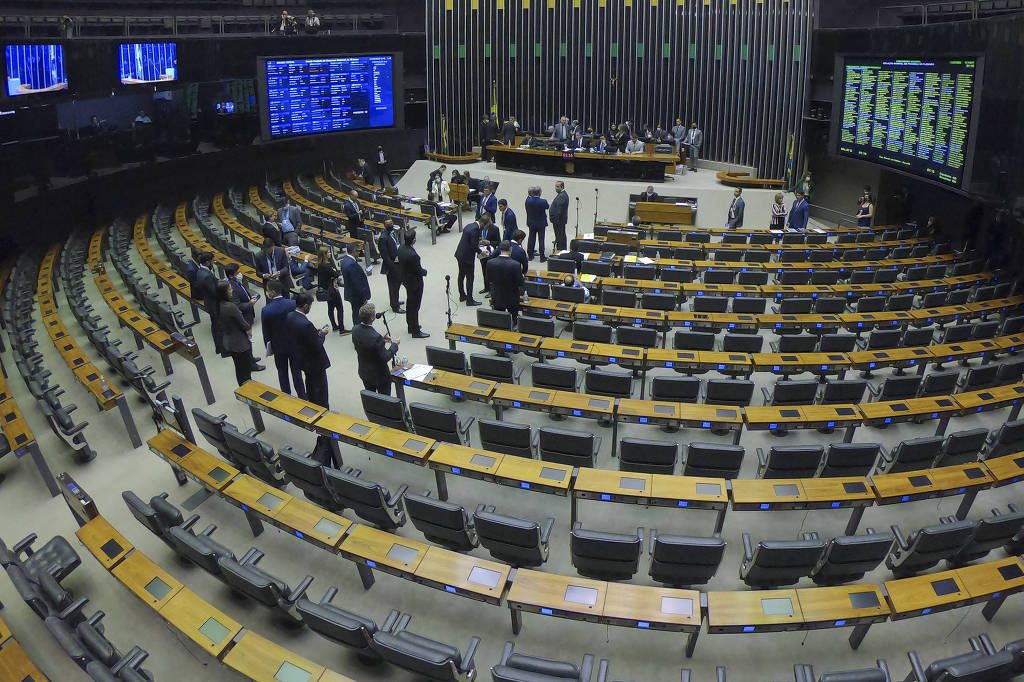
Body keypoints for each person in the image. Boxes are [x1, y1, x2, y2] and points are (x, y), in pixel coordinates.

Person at [261, 280, 304, 398]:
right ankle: (302, 396)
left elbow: (266, 332)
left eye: (268, 290)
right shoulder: (292, 303)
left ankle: (286, 396)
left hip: (278, 346)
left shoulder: (266, 310)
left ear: (273, 292)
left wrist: (269, 348)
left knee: (282, 372)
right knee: (297, 372)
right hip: (294, 344)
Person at [287, 292, 331, 408]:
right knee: (321, 390)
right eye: (310, 306)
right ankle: (323, 412)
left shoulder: (290, 316)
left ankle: (312, 403)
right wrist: (322, 333)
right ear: (306, 305)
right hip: (314, 362)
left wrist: (313, 332)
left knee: (310, 385)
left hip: (302, 360)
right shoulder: (306, 324)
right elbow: (317, 344)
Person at [216, 281, 258, 386]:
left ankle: (242, 387)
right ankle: (248, 389)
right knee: (245, 369)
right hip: (239, 342)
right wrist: (248, 330)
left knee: (238, 367)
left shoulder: (217, 305)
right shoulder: (230, 306)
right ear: (224, 292)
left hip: (228, 340)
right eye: (229, 289)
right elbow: (244, 324)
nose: (232, 290)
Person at [352, 303, 400, 395]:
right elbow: (385, 357)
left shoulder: (355, 330)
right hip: (379, 376)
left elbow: (365, 344)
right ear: (372, 318)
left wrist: (382, 340)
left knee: (372, 398)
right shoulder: (375, 338)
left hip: (364, 372)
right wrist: (394, 345)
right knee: (385, 400)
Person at [398, 229, 429, 338]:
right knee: (415, 307)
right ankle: (416, 331)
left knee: (409, 304)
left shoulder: (401, 248)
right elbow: (418, 270)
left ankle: (410, 326)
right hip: (415, 283)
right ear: (413, 239)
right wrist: (425, 272)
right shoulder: (413, 255)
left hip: (406, 280)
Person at [487, 241, 526, 324]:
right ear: (510, 249)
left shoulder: (490, 262)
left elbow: (488, 279)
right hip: (512, 297)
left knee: (499, 320)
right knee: (514, 320)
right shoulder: (515, 264)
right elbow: (520, 282)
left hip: (497, 296)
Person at [192, 251, 222, 354]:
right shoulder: (206, 275)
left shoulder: (200, 270)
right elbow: (215, 292)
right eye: (212, 261)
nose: (213, 262)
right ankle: (220, 347)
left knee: (215, 324)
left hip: (208, 302)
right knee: (217, 325)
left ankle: (220, 346)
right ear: (207, 262)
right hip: (213, 304)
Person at [316, 245, 347, 334]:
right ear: (324, 255)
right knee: (340, 308)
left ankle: (334, 325)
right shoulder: (326, 266)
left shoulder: (320, 265)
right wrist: (334, 270)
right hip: (332, 289)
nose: (330, 253)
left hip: (326, 290)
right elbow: (336, 274)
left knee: (330, 308)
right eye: (328, 252)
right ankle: (341, 328)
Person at [377, 219, 404, 314]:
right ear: (384, 225)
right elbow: (385, 256)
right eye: (388, 224)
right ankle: (395, 306)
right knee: (393, 287)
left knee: (397, 285)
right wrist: (393, 267)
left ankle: (395, 301)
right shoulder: (383, 238)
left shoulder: (392, 234)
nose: (391, 225)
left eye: (391, 223)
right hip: (391, 266)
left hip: (398, 262)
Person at [454, 215, 483, 305]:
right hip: (467, 257)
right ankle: (470, 300)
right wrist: (481, 252)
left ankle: (462, 295)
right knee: (470, 278)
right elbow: (473, 246)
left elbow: (470, 241)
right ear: (482, 224)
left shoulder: (469, 225)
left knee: (461, 275)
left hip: (460, 254)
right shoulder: (475, 230)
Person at [340, 242, 371, 325]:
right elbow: (357, 284)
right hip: (356, 296)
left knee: (355, 313)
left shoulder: (345, 260)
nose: (359, 253)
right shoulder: (351, 264)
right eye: (358, 251)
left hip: (351, 293)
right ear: (353, 251)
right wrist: (364, 298)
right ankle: (358, 333)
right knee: (358, 316)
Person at [223, 262, 258, 329]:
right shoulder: (231, 289)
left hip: (248, 311)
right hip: (244, 318)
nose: (240, 274)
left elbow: (242, 291)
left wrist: (249, 297)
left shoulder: (235, 281)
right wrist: (250, 303)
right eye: (237, 273)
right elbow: (237, 306)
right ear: (230, 276)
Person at [477, 216, 500, 295]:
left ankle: (492, 290)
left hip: (490, 253)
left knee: (491, 272)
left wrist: (489, 242)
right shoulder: (479, 228)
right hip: (481, 252)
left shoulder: (495, 229)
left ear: (488, 224)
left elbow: (498, 242)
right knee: (484, 270)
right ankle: (486, 288)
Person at [525, 186, 549, 262]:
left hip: (531, 222)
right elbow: (547, 207)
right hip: (541, 223)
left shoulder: (528, 201)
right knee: (541, 239)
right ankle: (542, 257)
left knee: (531, 238)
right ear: (540, 193)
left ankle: (530, 255)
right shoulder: (543, 201)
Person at [549, 181, 569, 252]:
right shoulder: (561, 195)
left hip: (559, 221)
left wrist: (555, 219)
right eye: (555, 186)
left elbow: (558, 210)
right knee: (560, 236)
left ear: (562, 187)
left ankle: (560, 251)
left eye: (558, 187)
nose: (556, 188)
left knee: (560, 237)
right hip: (559, 220)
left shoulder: (562, 196)